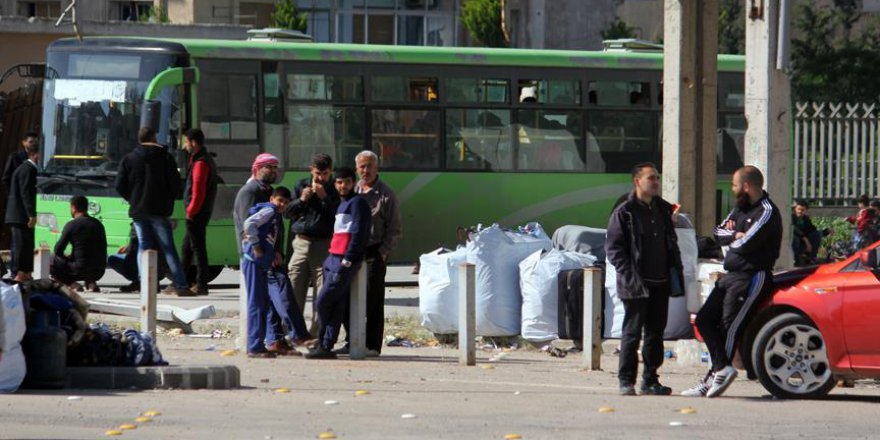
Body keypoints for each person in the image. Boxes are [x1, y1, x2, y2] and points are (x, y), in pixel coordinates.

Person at [683, 165, 782, 398]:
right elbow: (717, 233)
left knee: (729, 325)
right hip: (731, 274)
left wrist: (734, 239)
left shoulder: (767, 212)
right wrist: (734, 234)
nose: (733, 189)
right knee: (705, 319)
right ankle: (720, 368)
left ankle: (717, 374)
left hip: (752, 275)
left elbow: (745, 244)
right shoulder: (740, 209)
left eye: (735, 185)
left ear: (746, 186)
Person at [605, 162, 685, 396]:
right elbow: (614, 250)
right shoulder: (625, 211)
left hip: (661, 282)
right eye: (651, 178)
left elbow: (671, 243)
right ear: (637, 181)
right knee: (631, 333)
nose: (656, 182)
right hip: (635, 285)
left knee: (655, 334)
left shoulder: (663, 209)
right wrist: (630, 276)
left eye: (657, 177)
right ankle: (626, 380)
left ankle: (650, 379)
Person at [115, 127, 191, 297]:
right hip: (160, 210)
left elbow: (119, 185)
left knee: (143, 246)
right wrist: (168, 199)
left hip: (138, 211)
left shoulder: (129, 158)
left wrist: (133, 198)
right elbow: (175, 185)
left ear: (140, 139)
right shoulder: (165, 157)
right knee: (168, 247)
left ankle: (146, 284)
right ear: (154, 138)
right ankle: (181, 284)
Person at [339, 150, 401, 357]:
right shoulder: (352, 190)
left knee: (373, 300)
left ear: (377, 167)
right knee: (347, 298)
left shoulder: (386, 194)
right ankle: (352, 341)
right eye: (362, 166)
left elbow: (394, 229)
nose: (365, 171)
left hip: (374, 252)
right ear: (356, 168)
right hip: (351, 251)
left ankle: (372, 345)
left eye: (370, 166)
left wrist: (383, 252)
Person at [305, 167, 371, 359]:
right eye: (339, 182)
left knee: (323, 301)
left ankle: (324, 342)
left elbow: (359, 233)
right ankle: (326, 346)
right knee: (336, 304)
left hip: (343, 260)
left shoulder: (358, 203)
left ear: (353, 183)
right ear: (335, 184)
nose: (343, 186)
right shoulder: (342, 204)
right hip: (332, 258)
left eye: (347, 182)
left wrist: (348, 259)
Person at [242, 187, 311, 358]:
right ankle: (255, 347)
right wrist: (257, 247)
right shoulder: (270, 211)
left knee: (262, 304)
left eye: (286, 203)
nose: (282, 205)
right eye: (280, 201)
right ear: (272, 199)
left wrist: (272, 252)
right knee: (257, 304)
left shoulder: (275, 214)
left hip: (261, 263)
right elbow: (249, 224)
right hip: (254, 262)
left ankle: (260, 344)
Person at [285, 153, 339, 334]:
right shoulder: (301, 185)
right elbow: (287, 212)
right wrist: (301, 200)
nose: (321, 178)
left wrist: (325, 198)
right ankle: (294, 332)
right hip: (301, 242)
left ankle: (316, 334)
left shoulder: (335, 188)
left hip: (324, 244)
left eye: (325, 174)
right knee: (294, 286)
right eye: (317, 173)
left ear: (331, 171)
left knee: (321, 291)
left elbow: (338, 215)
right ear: (311, 170)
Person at [180, 128, 219, 296]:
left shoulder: (201, 163)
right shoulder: (201, 159)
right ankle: (180, 282)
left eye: (186, 142)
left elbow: (198, 192)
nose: (184, 146)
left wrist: (190, 211)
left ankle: (201, 285)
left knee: (198, 249)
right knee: (187, 248)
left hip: (197, 213)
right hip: (200, 211)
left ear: (193, 142)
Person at [50, 195, 107, 291]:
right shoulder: (98, 224)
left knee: (50, 260)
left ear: (73, 208)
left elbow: (58, 249)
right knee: (88, 260)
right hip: (99, 271)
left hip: (79, 270)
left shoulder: (72, 224)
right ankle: (91, 283)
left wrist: (66, 258)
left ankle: (72, 284)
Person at [5, 142, 40, 282]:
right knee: (20, 245)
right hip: (20, 215)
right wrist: (31, 214)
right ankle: (19, 274)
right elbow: (26, 193)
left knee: (27, 245)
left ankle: (26, 272)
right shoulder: (27, 169)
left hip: (22, 215)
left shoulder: (29, 168)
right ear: (33, 154)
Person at [233, 153, 280, 256]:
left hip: (268, 251)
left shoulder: (270, 191)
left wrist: (276, 251)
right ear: (258, 169)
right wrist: (257, 249)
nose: (273, 170)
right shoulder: (250, 191)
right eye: (268, 167)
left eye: (275, 167)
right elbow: (247, 226)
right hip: (253, 253)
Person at [791, 200, 829, 266]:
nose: (800, 211)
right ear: (795, 209)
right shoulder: (791, 217)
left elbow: (813, 230)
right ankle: (796, 260)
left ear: (806, 211)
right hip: (795, 242)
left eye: (802, 210)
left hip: (803, 243)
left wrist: (826, 231)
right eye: (798, 209)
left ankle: (811, 258)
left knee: (817, 234)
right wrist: (805, 239)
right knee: (795, 239)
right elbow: (794, 229)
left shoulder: (805, 219)